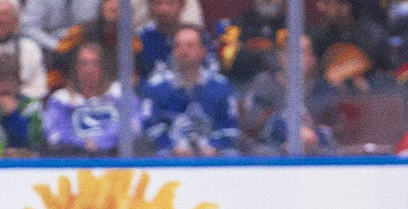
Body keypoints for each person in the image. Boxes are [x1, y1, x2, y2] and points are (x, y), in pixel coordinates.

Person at [140, 24, 240, 155]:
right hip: (169, 158)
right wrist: (172, 147)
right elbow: (151, 126)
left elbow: (230, 126)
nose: (183, 51)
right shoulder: (156, 86)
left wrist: (214, 147)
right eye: (178, 46)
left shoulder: (221, 86)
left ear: (203, 50)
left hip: (214, 157)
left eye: (190, 46)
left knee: (232, 155)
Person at [239, 34, 338, 154]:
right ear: (282, 56)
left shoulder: (323, 90)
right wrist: (291, 133)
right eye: (292, 52)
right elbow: (253, 122)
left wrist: (313, 138)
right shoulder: (264, 85)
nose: (298, 57)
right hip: (272, 154)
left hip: (314, 156)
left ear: (312, 58)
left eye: (303, 52)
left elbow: (335, 128)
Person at [43, 41, 140, 155]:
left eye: (95, 63)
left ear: (103, 67)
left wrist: (100, 142)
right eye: (84, 63)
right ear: (75, 67)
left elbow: (134, 125)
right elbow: (54, 134)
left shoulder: (119, 94)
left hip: (115, 158)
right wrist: (82, 144)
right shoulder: (61, 100)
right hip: (74, 159)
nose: (89, 69)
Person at [19, 0, 99, 53]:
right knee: (28, 46)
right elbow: (27, 27)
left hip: (82, 43)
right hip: (48, 47)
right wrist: (55, 45)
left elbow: (94, 21)